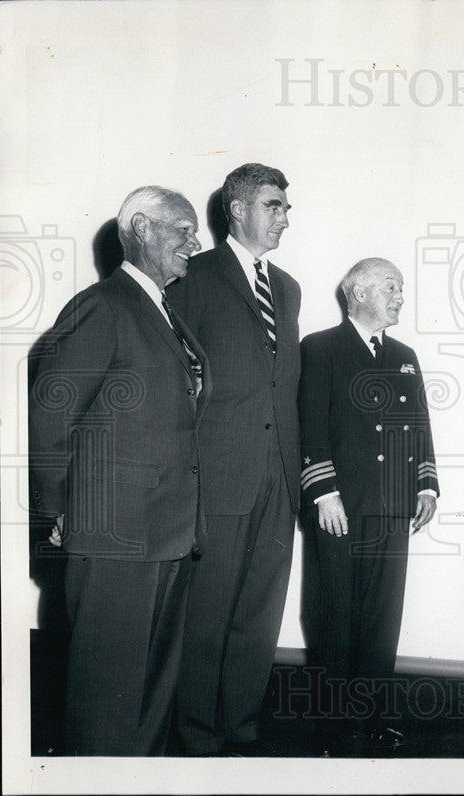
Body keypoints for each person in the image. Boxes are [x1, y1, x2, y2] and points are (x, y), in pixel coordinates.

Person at [29, 186, 210, 755]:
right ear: (140, 228)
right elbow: (48, 415)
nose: (194, 241)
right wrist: (56, 510)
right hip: (112, 536)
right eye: (182, 229)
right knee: (104, 704)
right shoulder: (103, 305)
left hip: (170, 534)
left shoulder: (164, 312)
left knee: (152, 699)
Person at [166, 163, 301, 756]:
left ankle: (240, 728)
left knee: (260, 613)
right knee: (206, 615)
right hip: (217, 476)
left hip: (279, 476)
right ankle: (195, 737)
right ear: (238, 209)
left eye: (286, 207)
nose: (284, 217)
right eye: (274, 205)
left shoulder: (289, 288)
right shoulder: (191, 275)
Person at [298, 258, 439, 752]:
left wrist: (426, 486)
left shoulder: (404, 355)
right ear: (356, 292)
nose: (400, 295)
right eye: (390, 287)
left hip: (392, 508)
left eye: (401, 287)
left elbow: (419, 424)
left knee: (382, 618)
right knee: (332, 616)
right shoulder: (320, 348)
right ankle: (332, 725)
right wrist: (322, 491)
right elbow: (310, 424)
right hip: (340, 505)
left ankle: (374, 716)